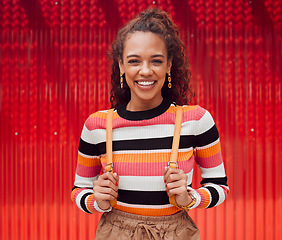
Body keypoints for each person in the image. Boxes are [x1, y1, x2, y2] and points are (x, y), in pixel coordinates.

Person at [71, 8, 229, 240]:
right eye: (134, 61)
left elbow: (220, 187)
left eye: (156, 60)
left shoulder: (196, 121)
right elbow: (78, 191)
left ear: (169, 65)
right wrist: (97, 200)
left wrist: (190, 197)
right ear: (121, 65)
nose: (145, 71)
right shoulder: (97, 126)